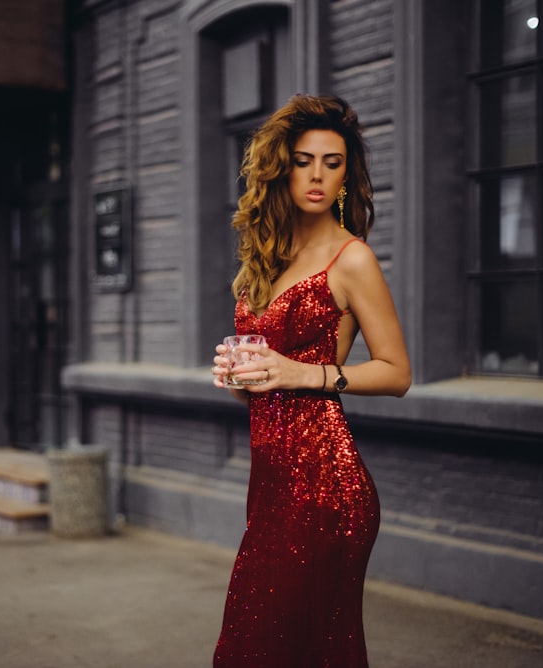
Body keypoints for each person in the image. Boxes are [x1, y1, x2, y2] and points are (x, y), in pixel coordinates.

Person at [210, 94, 411, 667]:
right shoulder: (266, 257)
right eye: (304, 161)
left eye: (333, 162)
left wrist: (301, 372)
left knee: (277, 650)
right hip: (271, 486)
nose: (318, 175)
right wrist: (237, 375)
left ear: (348, 173)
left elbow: (397, 373)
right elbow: (264, 383)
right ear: (281, 168)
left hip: (325, 486)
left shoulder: (352, 259)